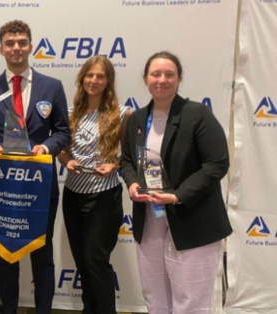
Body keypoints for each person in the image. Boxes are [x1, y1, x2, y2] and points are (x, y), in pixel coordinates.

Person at [0, 20, 70, 314]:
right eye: (10, 43)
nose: (16, 48)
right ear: (1, 49)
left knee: (42, 254)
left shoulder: (52, 87)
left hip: (40, 185)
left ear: (30, 46)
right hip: (3, 189)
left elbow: (63, 131)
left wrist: (46, 147)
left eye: (22, 42)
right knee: (6, 256)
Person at [120, 51, 232, 314]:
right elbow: (126, 161)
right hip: (150, 219)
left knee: (191, 301)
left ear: (179, 79)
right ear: (145, 78)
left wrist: (178, 195)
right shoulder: (136, 119)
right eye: (155, 74)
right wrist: (132, 183)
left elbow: (217, 163)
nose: (162, 79)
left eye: (169, 74)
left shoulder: (197, 114)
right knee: (155, 297)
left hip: (193, 218)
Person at [56, 55, 129, 314]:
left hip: (104, 196)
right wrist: (66, 162)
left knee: (96, 260)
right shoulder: (71, 114)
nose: (94, 80)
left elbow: (133, 155)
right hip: (73, 194)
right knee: (82, 261)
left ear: (108, 80)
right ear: (82, 78)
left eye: (100, 76)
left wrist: (114, 165)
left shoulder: (122, 114)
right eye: (90, 75)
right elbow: (62, 152)